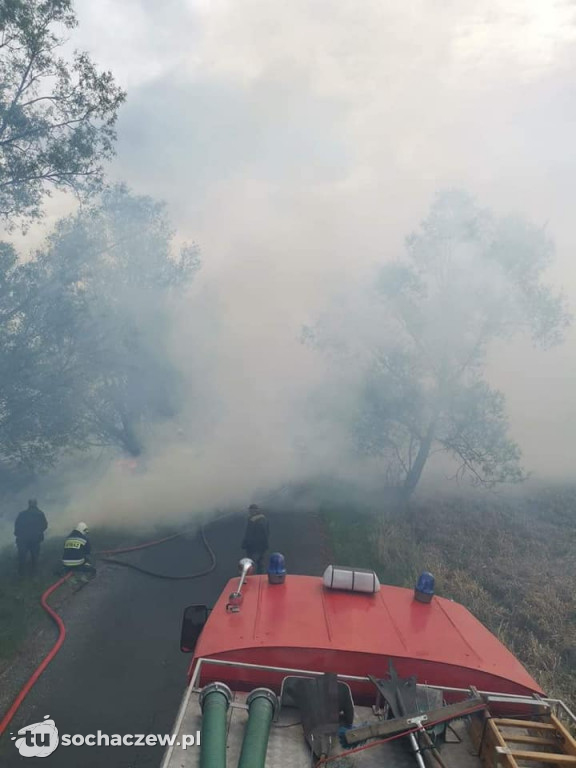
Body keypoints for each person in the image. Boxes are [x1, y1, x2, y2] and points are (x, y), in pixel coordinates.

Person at [14, 499, 48, 577]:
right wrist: (39, 532)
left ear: (29, 504)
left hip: (23, 539)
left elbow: (17, 526)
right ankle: (34, 574)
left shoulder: (22, 514)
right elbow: (45, 525)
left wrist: (18, 535)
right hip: (35, 539)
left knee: (22, 557)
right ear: (36, 504)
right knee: (35, 557)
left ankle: (21, 574)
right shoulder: (40, 514)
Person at [241, 504, 269, 574]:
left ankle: (250, 578)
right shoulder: (264, 519)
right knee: (260, 562)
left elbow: (249, 534)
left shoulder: (253, 521)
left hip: (253, 547)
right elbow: (267, 532)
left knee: (251, 562)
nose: (250, 512)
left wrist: (245, 543)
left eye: (252, 510)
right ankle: (260, 576)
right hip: (262, 545)